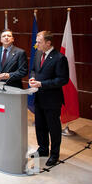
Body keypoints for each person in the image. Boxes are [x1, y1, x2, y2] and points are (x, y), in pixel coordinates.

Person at [29, 31, 69, 167]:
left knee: (53, 128)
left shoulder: (59, 58)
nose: (36, 44)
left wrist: (42, 84)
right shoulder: (38, 54)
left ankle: (54, 154)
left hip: (52, 100)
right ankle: (43, 149)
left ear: (48, 43)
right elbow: (34, 69)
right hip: (39, 98)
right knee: (40, 126)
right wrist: (33, 78)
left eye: (39, 42)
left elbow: (62, 80)